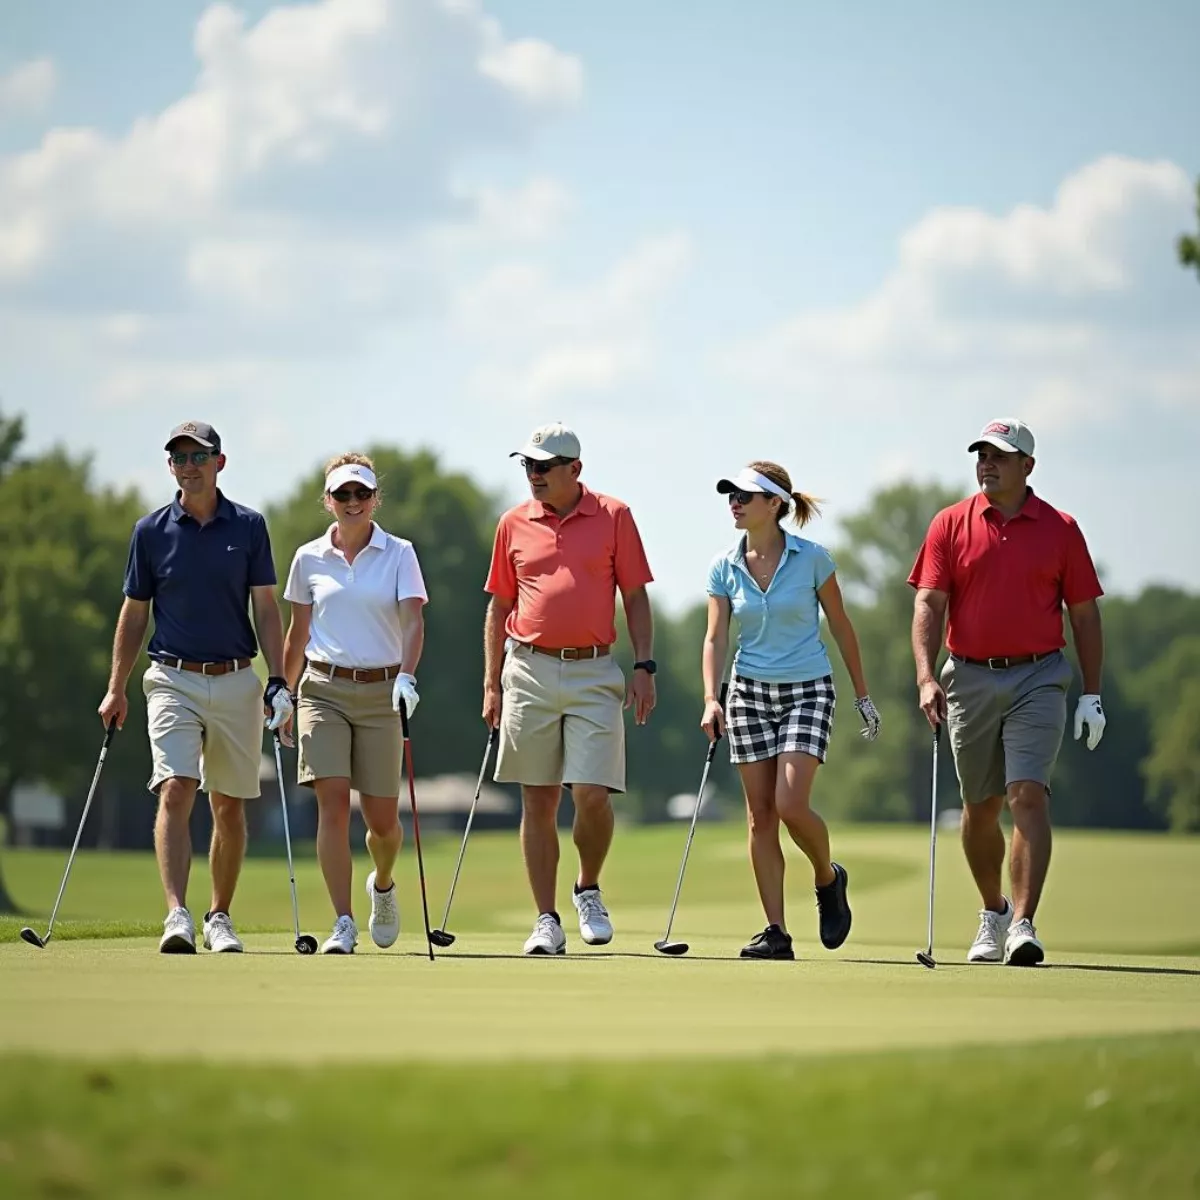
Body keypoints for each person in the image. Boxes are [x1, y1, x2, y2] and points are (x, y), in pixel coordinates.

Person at [908, 418, 1106, 967]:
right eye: (981, 455)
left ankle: (1022, 921)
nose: (987, 464)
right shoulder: (951, 523)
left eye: (1000, 455)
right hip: (967, 675)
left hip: (1039, 675)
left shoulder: (1061, 529)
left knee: (1027, 794)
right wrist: (927, 676)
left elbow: (1084, 615)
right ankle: (992, 911)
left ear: (1028, 466)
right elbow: (928, 604)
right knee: (980, 806)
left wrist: (1092, 693)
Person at [99, 421, 293, 954]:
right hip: (172, 678)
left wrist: (279, 680)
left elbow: (267, 608)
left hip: (236, 679)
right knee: (177, 787)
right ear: (170, 467)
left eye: (199, 457)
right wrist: (117, 687)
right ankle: (177, 915)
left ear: (219, 463)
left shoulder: (249, 526)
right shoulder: (151, 531)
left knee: (229, 805)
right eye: (180, 458)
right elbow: (134, 614)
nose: (189, 466)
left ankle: (219, 916)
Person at [482, 422, 656, 955]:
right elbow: (499, 607)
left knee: (592, 794)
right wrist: (492, 682)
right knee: (536, 800)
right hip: (528, 669)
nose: (533, 476)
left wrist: (645, 665)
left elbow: (636, 597)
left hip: (594, 669)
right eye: (527, 466)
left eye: (543, 466)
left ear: (574, 470)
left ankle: (586, 888)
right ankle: (546, 920)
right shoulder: (513, 523)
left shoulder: (614, 516)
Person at [701, 462, 881, 961]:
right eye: (730, 495)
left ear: (775, 504)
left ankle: (828, 878)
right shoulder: (724, 565)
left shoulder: (813, 559)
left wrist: (862, 694)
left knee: (790, 805)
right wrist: (711, 698)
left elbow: (842, 626)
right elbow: (715, 637)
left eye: (745, 495)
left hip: (808, 689)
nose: (734, 502)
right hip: (747, 694)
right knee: (760, 817)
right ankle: (776, 931)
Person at [282, 455, 427, 955]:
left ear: (374, 499)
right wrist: (282, 688)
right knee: (333, 803)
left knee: (383, 823)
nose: (351, 503)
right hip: (322, 690)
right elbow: (298, 631)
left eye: (360, 494)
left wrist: (407, 674)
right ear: (328, 501)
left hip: (383, 691)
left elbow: (412, 622)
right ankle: (342, 921)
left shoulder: (400, 553)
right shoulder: (308, 558)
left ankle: (382, 885)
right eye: (341, 495)